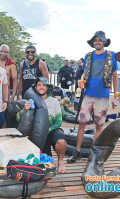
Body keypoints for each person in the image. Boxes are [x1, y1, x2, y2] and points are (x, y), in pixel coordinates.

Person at [67, 31, 118, 163]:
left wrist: (116, 96)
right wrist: (81, 81)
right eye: (95, 40)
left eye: (99, 40)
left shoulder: (111, 55)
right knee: (82, 124)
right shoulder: (88, 56)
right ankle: (77, 152)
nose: (97, 42)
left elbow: (114, 76)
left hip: (103, 97)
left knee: (99, 126)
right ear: (93, 42)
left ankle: (93, 155)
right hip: (88, 95)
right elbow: (84, 73)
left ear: (104, 42)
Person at [17, 76, 67, 173]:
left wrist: (47, 130)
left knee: (61, 142)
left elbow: (58, 122)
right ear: (35, 87)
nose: (41, 87)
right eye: (39, 85)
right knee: (42, 161)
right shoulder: (30, 101)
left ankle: (61, 161)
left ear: (47, 87)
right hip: (36, 133)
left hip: (51, 129)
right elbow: (17, 119)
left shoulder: (54, 101)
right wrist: (24, 110)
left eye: (44, 85)